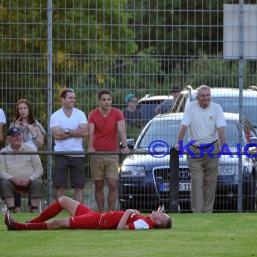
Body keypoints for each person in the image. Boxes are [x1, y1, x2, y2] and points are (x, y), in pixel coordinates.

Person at [176, 85, 226, 213]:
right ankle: (197, 213)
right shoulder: (191, 107)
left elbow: (221, 128)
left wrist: (224, 145)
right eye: (203, 96)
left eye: (208, 95)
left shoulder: (217, 108)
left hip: (212, 147)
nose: (206, 98)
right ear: (197, 97)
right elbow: (184, 126)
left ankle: (207, 212)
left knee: (210, 182)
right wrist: (179, 143)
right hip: (195, 149)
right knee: (197, 182)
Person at [4, 196, 171, 230]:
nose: (159, 211)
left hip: (95, 221)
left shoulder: (145, 224)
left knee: (57, 223)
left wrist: (127, 212)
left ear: (157, 222)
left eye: (161, 214)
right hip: (96, 215)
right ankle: (31, 222)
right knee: (62, 200)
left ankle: (18, 226)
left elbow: (121, 229)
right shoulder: (147, 219)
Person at [88, 90, 129, 211]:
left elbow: (122, 131)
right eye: (104, 99)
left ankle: (111, 213)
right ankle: (101, 214)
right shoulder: (93, 114)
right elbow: (90, 131)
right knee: (98, 185)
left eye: (108, 99)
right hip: (97, 154)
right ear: (99, 101)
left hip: (112, 154)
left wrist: (125, 146)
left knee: (112, 183)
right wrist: (90, 146)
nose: (106, 102)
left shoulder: (117, 113)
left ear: (111, 100)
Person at [50, 88, 88, 202]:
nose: (73, 100)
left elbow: (85, 132)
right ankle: (59, 212)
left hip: (78, 154)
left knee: (79, 186)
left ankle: (78, 214)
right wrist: (76, 132)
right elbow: (57, 135)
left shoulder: (80, 114)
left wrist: (66, 130)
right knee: (60, 186)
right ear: (62, 99)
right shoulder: (55, 115)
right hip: (61, 154)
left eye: (74, 98)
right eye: (70, 97)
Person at [9, 98, 47, 212]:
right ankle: (17, 210)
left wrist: (33, 132)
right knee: (15, 182)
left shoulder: (35, 124)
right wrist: (14, 129)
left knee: (33, 182)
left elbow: (40, 144)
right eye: (20, 108)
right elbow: (8, 145)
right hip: (17, 159)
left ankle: (33, 210)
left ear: (29, 110)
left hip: (32, 158)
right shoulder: (13, 124)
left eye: (25, 108)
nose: (22, 110)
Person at [0, 127, 43, 212]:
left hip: (29, 182)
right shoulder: (3, 152)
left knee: (37, 182)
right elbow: (1, 171)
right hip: (11, 182)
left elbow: (39, 170)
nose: (18, 138)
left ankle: (33, 212)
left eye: (19, 135)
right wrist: (12, 179)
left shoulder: (31, 149)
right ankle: (12, 211)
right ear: (9, 138)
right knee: (4, 182)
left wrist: (29, 179)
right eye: (15, 136)